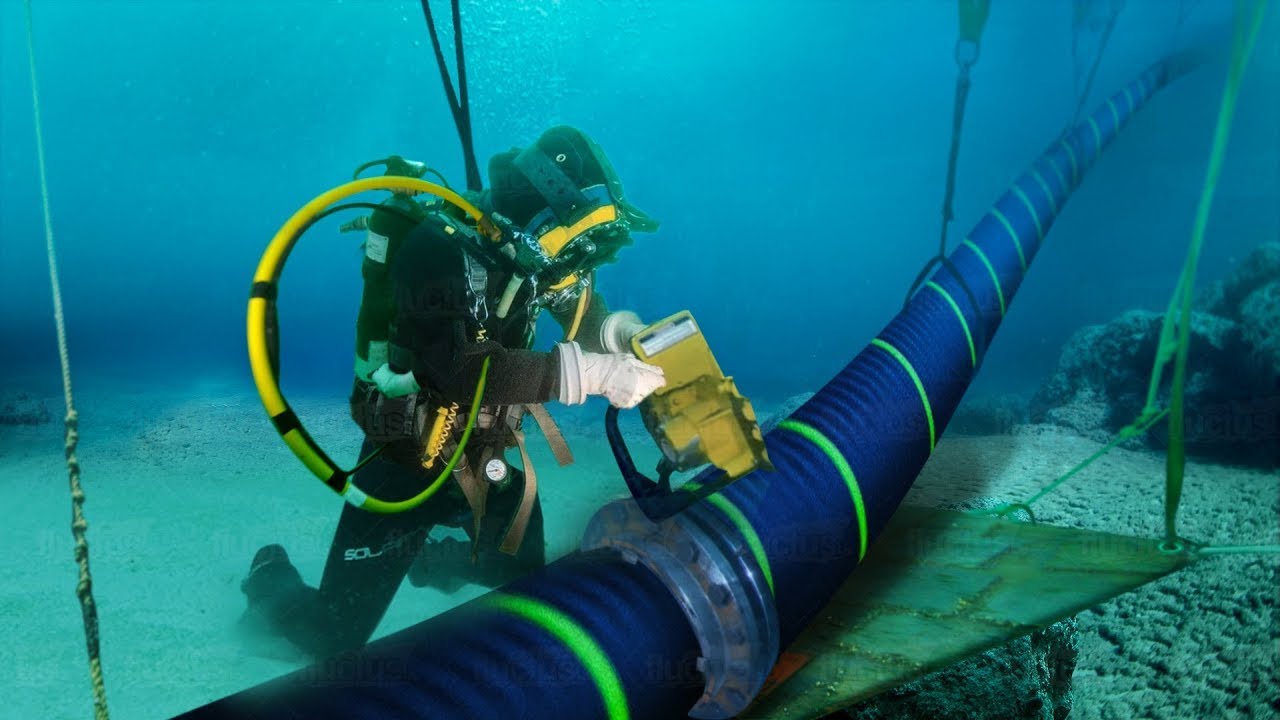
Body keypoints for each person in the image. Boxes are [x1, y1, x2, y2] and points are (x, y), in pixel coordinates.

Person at [239, 126, 667, 659]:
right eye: (572, 238)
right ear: (541, 212)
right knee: (331, 636)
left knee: (521, 572)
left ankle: (437, 561)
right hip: (405, 461)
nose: (573, 261)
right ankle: (269, 578)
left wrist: (625, 338)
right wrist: (597, 376)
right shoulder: (436, 249)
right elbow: (460, 373)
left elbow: (583, 314)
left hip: (483, 455)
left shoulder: (534, 261)